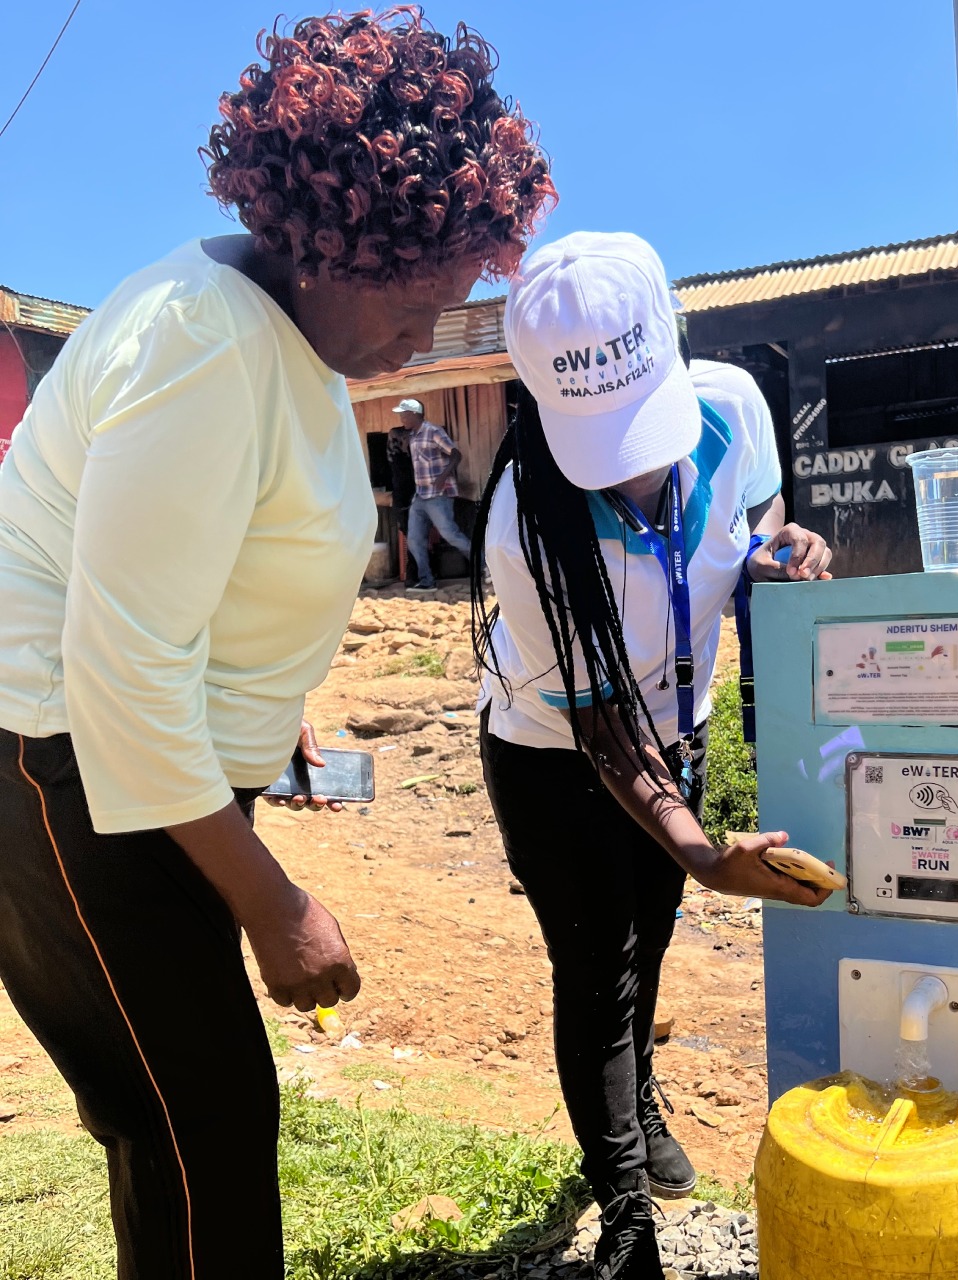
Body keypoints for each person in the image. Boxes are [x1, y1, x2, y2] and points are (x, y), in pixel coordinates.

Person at [0, 13, 554, 1278]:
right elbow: (121, 663)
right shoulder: (205, 341)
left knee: (189, 1121)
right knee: (198, 1124)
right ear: (330, 239)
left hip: (138, 773)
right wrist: (276, 901)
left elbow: (205, 572)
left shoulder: (280, 331)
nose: (425, 337)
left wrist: (268, 715)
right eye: (417, 303)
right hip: (68, 764)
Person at [472, 232, 834, 1280]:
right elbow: (596, 725)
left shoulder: (732, 405)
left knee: (655, 932)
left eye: (643, 427)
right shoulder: (522, 527)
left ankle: (635, 1102)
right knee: (597, 964)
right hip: (556, 750)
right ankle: (622, 1202)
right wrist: (703, 850)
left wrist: (779, 544)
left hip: (679, 723)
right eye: (603, 440)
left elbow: (757, 511)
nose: (633, 467)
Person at [399, 396, 474, 593]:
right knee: (414, 540)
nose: (402, 419)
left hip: (439, 495)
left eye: (404, 415)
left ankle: (484, 565)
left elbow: (456, 455)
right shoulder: (414, 436)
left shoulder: (433, 431)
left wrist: (443, 475)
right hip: (421, 495)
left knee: (451, 534)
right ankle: (427, 581)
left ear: (415, 414)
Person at [387, 405, 420, 583]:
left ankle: (416, 576)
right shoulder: (396, 435)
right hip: (405, 496)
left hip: (417, 495)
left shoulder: (423, 435)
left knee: (415, 536)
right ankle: (414, 576)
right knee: (412, 535)